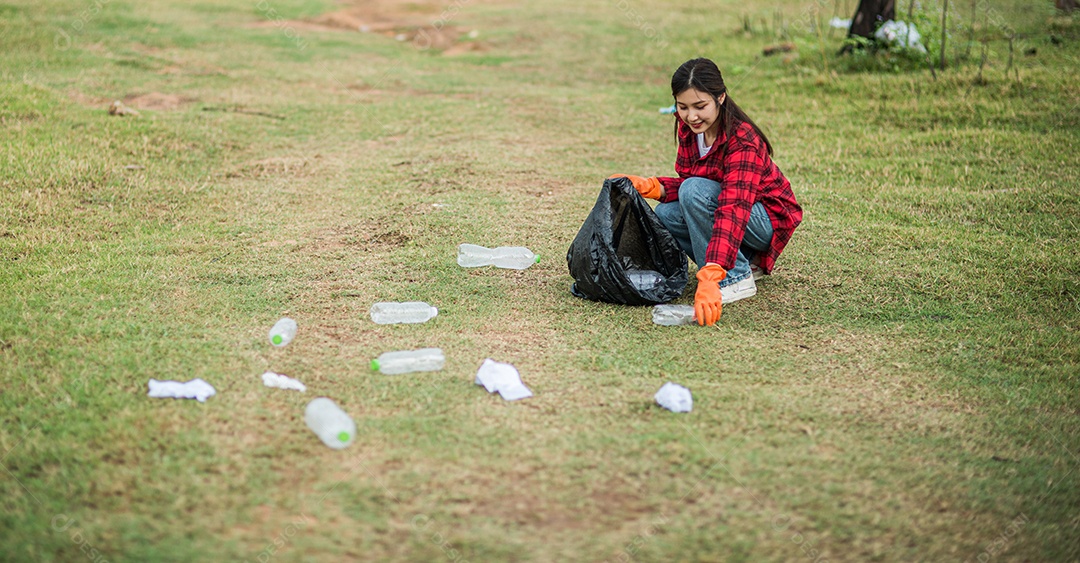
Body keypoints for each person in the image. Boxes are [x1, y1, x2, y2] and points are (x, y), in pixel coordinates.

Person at [611, 57, 802, 326]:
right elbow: (695, 186)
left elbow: (733, 206)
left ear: (720, 98)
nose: (691, 116)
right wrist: (653, 186)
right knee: (665, 213)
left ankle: (734, 277)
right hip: (731, 210)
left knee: (693, 192)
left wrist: (712, 274)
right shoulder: (691, 129)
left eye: (700, 106)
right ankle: (743, 262)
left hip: (765, 219)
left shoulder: (743, 140)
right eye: (683, 107)